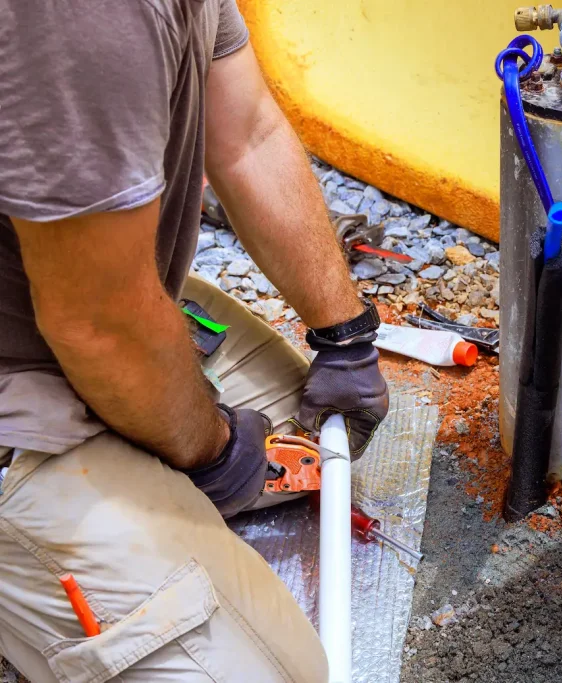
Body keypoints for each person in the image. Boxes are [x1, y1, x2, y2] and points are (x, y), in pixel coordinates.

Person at [0, 0, 390, 680]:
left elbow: (248, 134)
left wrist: (344, 333)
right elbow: (95, 322)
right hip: (32, 380)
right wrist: (212, 447)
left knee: (300, 427)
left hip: (77, 300)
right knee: (286, 672)